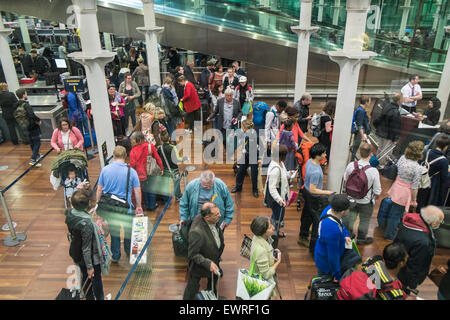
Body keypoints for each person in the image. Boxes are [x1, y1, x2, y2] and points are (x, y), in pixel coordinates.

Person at [95, 146, 143, 262]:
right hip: (126, 208)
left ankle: (116, 256)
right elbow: (137, 190)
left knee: (114, 232)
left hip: (110, 208)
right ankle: (128, 250)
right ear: (125, 156)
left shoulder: (105, 170)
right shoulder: (131, 172)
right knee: (128, 231)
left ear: (114, 156)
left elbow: (99, 189)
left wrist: (98, 204)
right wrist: (139, 206)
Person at [65, 190, 107, 300]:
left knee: (84, 277)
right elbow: (86, 248)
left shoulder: (69, 214)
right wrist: (90, 267)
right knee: (95, 279)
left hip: (76, 252)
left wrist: (86, 215)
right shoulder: (87, 224)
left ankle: (89, 297)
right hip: (90, 258)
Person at [379, 141, 424, 240]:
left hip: (396, 186)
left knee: (392, 210)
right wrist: (414, 200)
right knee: (396, 215)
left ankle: (383, 226)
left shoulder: (402, 158)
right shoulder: (417, 168)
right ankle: (389, 235)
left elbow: (397, 170)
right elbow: (414, 187)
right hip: (405, 192)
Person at [393, 206, 444, 293]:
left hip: (396, 264)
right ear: (433, 223)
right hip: (406, 276)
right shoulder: (424, 242)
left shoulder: (408, 222)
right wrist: (412, 284)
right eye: (440, 222)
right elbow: (415, 264)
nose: (440, 223)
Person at [183, 202, 225, 300]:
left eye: (219, 213)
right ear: (207, 217)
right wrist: (208, 263)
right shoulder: (196, 232)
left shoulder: (212, 219)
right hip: (200, 265)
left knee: (213, 282)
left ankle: (212, 296)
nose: (220, 215)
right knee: (192, 286)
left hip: (214, 259)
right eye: (217, 214)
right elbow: (192, 254)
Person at [343, 143, 382, 245]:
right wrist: (375, 198)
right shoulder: (373, 171)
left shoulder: (351, 165)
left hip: (351, 199)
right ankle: (361, 239)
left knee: (350, 219)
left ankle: (349, 239)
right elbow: (377, 191)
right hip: (365, 201)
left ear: (359, 152)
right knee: (364, 220)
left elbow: (345, 179)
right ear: (371, 154)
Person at [314, 194, 359, 281]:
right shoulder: (332, 230)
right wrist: (337, 275)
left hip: (325, 252)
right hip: (327, 265)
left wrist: (345, 234)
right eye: (348, 208)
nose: (349, 210)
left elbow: (341, 224)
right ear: (342, 211)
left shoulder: (330, 209)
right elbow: (333, 257)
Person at [298, 143, 334, 249]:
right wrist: (327, 192)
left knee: (306, 215)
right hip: (312, 196)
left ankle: (303, 234)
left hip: (306, 191)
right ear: (318, 155)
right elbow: (313, 190)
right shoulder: (316, 172)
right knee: (316, 220)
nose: (325, 155)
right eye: (323, 153)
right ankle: (311, 244)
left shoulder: (310, 161)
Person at [129, 131, 163, 211]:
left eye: (132, 140)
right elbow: (157, 158)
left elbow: (133, 164)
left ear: (138, 140)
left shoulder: (133, 151)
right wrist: (161, 168)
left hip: (139, 175)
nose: (131, 142)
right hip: (150, 172)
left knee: (142, 191)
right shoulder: (150, 146)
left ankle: (145, 205)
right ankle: (152, 205)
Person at [249, 216, 282, 298]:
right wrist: (278, 262)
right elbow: (266, 275)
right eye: (270, 227)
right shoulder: (261, 250)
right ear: (263, 232)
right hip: (262, 287)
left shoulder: (258, 237)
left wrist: (271, 257)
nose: (273, 228)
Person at [265, 144, 289, 241]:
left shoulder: (280, 163)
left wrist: (289, 174)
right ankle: (272, 238)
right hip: (277, 199)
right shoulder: (275, 169)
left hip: (282, 196)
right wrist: (280, 200)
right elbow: (272, 188)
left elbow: (283, 175)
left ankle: (275, 232)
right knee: (276, 218)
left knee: (277, 216)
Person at [231, 120, 262, 198]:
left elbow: (260, 147)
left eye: (242, 127)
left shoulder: (255, 135)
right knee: (240, 172)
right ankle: (238, 187)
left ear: (245, 128)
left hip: (254, 156)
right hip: (245, 155)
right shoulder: (246, 133)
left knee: (254, 174)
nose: (241, 128)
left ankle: (255, 190)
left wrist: (259, 158)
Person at [417, 135, 449, 209]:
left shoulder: (426, 152)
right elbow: (444, 177)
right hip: (433, 185)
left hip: (420, 180)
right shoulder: (444, 160)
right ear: (446, 147)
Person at [373, 92, 403, 167]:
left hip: (381, 132)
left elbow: (379, 118)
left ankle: (376, 164)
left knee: (380, 149)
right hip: (388, 135)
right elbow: (395, 127)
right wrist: (396, 138)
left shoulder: (387, 106)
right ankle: (381, 166)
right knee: (386, 152)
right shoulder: (396, 112)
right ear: (399, 101)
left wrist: (377, 127)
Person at [15, 88, 42, 167]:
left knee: (32, 142)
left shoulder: (16, 105)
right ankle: (33, 159)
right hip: (32, 126)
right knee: (37, 142)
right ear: (23, 95)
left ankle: (36, 155)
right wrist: (38, 120)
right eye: (26, 93)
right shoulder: (26, 105)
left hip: (24, 126)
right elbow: (31, 115)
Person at [157, 130, 185, 201]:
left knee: (165, 183)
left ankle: (165, 198)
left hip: (165, 169)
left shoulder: (160, 148)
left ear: (161, 139)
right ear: (169, 138)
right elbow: (177, 159)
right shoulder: (173, 147)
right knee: (176, 182)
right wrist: (184, 158)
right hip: (174, 169)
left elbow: (158, 159)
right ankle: (178, 196)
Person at [351, 95, 371, 160]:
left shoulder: (360, 109)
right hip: (359, 133)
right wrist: (362, 136)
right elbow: (359, 124)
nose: (370, 103)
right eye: (369, 101)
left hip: (360, 132)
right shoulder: (361, 111)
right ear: (366, 102)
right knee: (355, 148)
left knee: (355, 148)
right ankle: (352, 161)